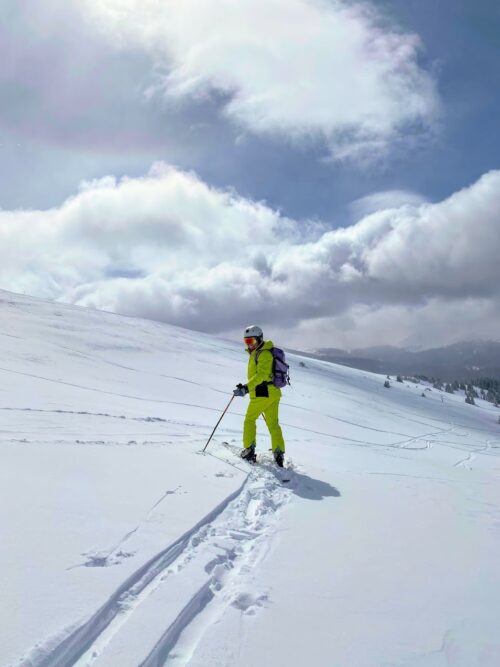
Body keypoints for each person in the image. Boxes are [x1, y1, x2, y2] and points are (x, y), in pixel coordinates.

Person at [233, 325, 286, 467]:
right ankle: (278, 453)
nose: (249, 345)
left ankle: (249, 451)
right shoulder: (258, 352)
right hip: (272, 393)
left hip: (263, 392)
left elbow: (261, 375)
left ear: (259, 339)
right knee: (273, 425)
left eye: (251, 341)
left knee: (249, 420)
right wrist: (248, 388)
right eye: (246, 342)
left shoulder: (263, 354)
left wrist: (246, 387)